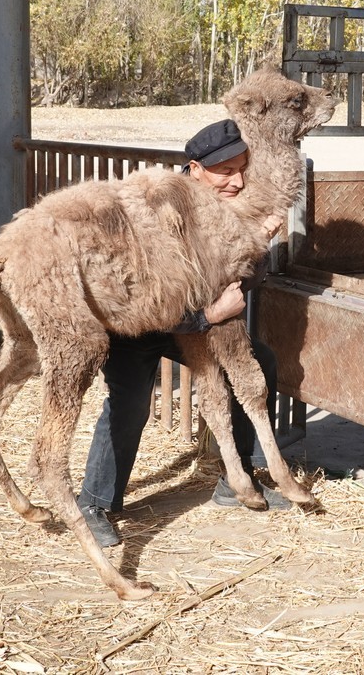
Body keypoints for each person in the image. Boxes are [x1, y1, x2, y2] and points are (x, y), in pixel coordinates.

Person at [78, 118, 291, 548]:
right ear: (195, 170)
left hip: (194, 320)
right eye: (226, 171)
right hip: (135, 324)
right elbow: (151, 299)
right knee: (132, 401)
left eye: (243, 168)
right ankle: (95, 504)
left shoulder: (232, 206)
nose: (238, 181)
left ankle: (236, 478)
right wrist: (208, 317)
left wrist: (258, 243)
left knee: (257, 363)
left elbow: (243, 282)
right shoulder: (160, 211)